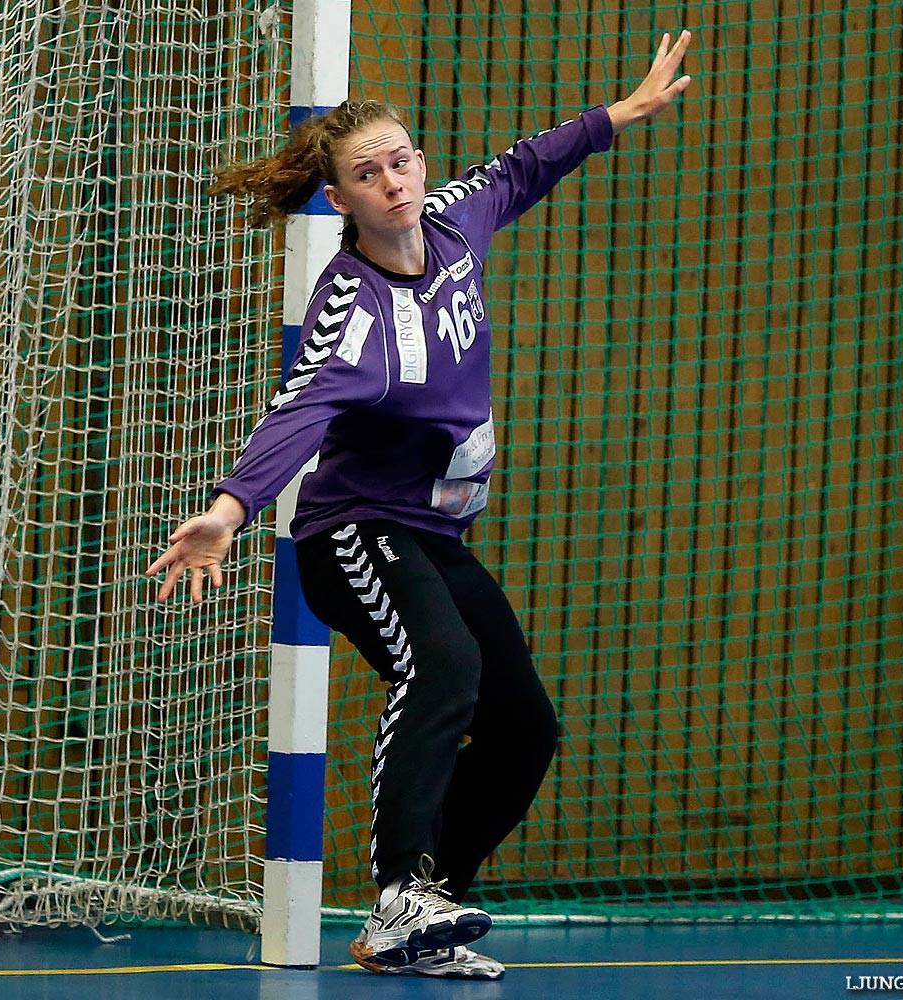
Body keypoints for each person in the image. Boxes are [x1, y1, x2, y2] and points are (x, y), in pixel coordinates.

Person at [145, 30, 693, 981]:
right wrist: (230, 512)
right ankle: (399, 889)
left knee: (525, 727)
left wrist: (621, 114)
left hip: (436, 530)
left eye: (401, 159)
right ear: (342, 198)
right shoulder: (348, 308)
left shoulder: (452, 224)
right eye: (369, 172)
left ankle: (428, 908)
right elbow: (298, 411)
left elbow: (525, 165)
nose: (393, 180)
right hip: (352, 531)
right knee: (441, 666)